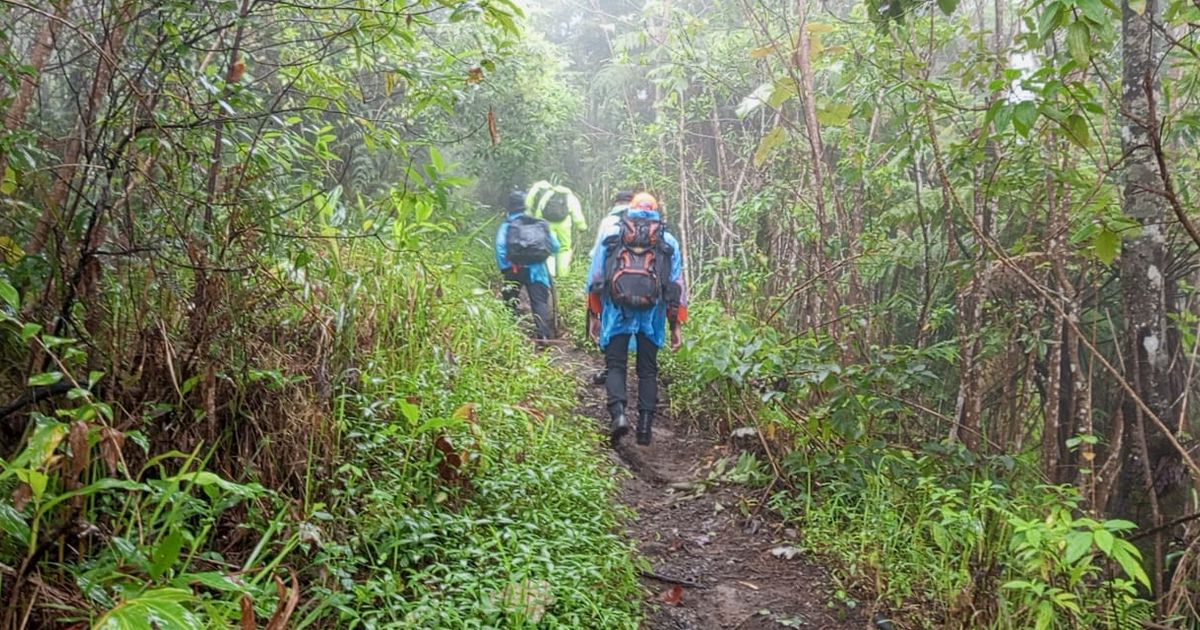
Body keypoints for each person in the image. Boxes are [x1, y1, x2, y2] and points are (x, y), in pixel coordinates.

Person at [586, 192, 686, 445]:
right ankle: (644, 427)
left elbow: (595, 278)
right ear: (656, 210)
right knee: (647, 370)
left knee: (616, 365)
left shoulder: (612, 235)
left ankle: (618, 415)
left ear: (629, 210)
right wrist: (675, 326)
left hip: (617, 311)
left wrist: (595, 316)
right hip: (652, 315)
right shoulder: (668, 241)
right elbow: (677, 287)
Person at [496, 190, 559, 339]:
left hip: (514, 268)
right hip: (538, 270)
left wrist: (506, 267)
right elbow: (555, 246)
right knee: (539, 302)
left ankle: (510, 335)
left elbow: (500, 248)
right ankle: (543, 336)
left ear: (509, 208)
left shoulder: (507, 226)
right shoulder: (539, 224)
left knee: (509, 300)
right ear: (526, 206)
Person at [589, 190, 636, 386]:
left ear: (616, 202)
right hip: (644, 289)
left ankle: (612, 369)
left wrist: (593, 296)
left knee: (612, 326)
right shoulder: (647, 224)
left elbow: (597, 254)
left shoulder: (608, 222)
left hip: (614, 287)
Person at [526, 180, 586, 276]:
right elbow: (577, 215)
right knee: (564, 249)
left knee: (549, 248)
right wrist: (582, 227)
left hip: (548, 225)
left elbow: (540, 210)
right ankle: (563, 275)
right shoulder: (571, 197)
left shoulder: (548, 194)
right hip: (564, 227)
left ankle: (550, 275)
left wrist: (538, 224)